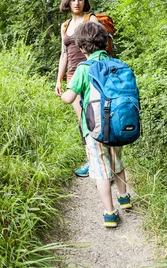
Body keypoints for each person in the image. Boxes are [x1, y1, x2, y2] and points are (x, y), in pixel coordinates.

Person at [59, 22, 132, 228]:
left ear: (82, 48)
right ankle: (124, 198)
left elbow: (69, 98)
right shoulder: (116, 64)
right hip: (117, 125)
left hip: (94, 130)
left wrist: (63, 92)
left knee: (101, 171)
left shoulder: (83, 69)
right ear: (105, 43)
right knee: (118, 162)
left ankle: (110, 213)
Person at [55, 0, 99, 177]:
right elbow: (63, 55)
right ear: (68, 1)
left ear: (84, 1)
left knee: (96, 118)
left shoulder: (91, 20)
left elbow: (100, 46)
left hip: (91, 74)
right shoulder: (65, 26)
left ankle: (105, 161)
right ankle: (92, 161)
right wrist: (58, 80)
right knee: (83, 120)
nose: (76, 3)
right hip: (73, 77)